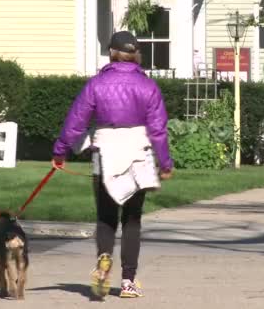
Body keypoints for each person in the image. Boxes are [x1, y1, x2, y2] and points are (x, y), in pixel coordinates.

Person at [51, 31, 173, 299]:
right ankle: (128, 282)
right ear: (136, 54)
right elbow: (158, 129)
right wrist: (165, 162)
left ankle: (104, 260)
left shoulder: (96, 84)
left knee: (106, 218)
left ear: (111, 53)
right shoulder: (148, 86)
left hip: (105, 152)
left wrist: (60, 152)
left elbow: (76, 122)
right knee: (132, 219)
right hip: (138, 153)